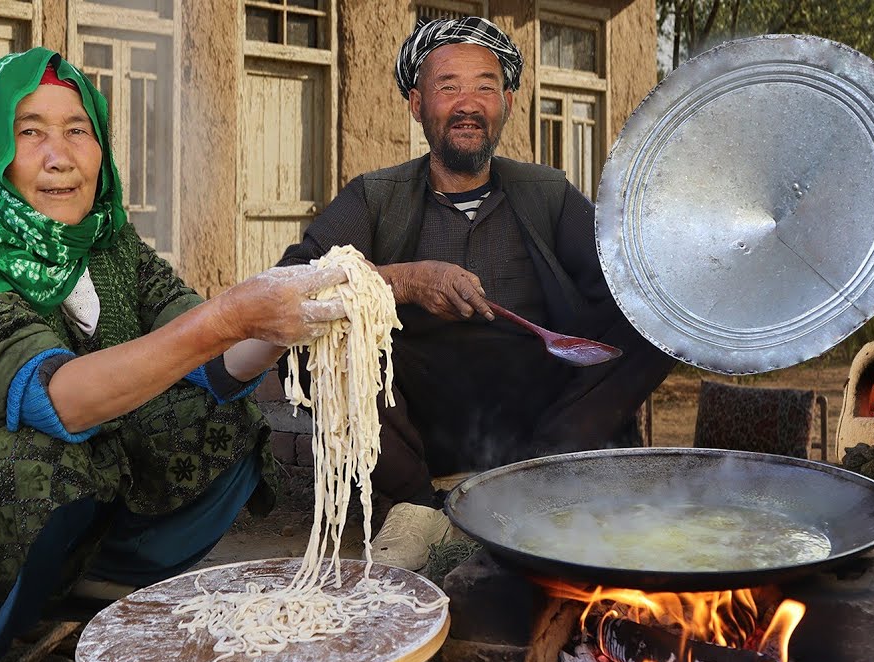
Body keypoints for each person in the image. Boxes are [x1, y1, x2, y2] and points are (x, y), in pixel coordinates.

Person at [0, 48, 346, 662]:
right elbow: (59, 401)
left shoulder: (109, 243)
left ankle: (68, 590)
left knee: (225, 423)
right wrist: (227, 316)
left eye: (77, 130)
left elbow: (207, 357)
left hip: (75, 479)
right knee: (37, 459)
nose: (61, 156)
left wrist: (290, 321)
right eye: (30, 133)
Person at [278, 17, 676, 571]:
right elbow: (291, 284)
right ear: (417, 105)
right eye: (449, 87)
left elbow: (625, 284)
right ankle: (420, 510)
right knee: (307, 337)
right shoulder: (375, 198)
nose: (469, 103)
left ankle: (534, 485)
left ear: (508, 102)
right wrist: (403, 280)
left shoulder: (548, 194)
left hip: (543, 423)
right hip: (414, 429)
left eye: (486, 86)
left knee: (656, 322)